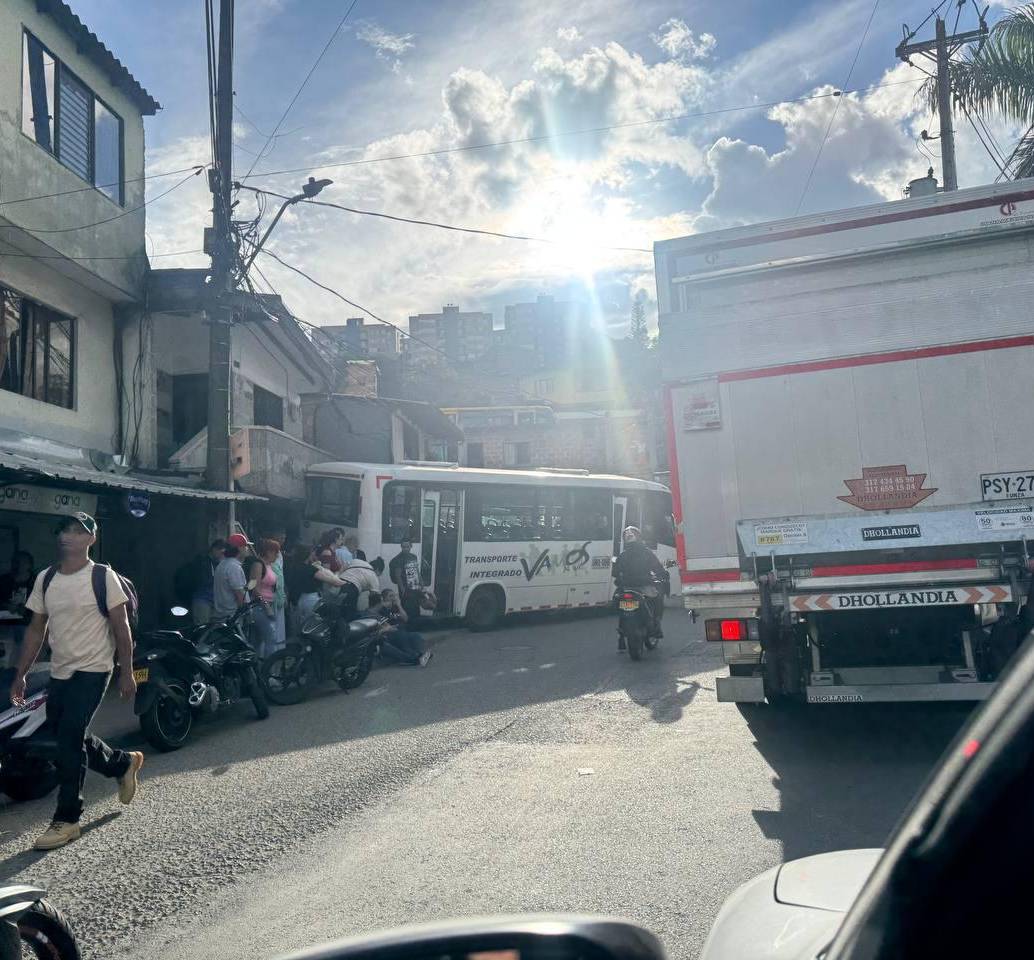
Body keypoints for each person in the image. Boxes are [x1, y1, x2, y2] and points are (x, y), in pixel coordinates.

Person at [9, 513, 144, 851]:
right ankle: (122, 763)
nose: (67, 536)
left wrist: (126, 670)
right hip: (61, 670)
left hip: (95, 668)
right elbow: (36, 629)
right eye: (63, 530)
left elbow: (121, 626)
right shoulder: (46, 578)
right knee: (68, 735)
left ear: (91, 539)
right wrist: (21, 673)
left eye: (76, 530)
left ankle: (68, 818)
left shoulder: (102, 577)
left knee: (69, 736)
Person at [612, 525, 669, 649]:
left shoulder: (622, 555)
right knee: (658, 599)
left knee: (620, 605)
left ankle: (621, 636)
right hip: (644, 586)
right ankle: (656, 627)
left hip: (626, 587)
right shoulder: (646, 553)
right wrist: (663, 576)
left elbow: (615, 573)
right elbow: (658, 568)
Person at [371, 589, 433, 667]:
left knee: (415, 635)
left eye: (394, 595)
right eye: (390, 596)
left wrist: (399, 605)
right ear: (384, 598)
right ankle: (414, 656)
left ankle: (420, 654)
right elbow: (383, 624)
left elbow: (405, 619)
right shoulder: (382, 609)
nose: (393, 598)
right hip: (391, 633)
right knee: (401, 636)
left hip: (401, 631)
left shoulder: (396, 608)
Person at [174, 540, 226, 625]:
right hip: (202, 599)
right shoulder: (202, 562)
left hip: (214, 601)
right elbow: (204, 580)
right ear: (214, 549)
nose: (222, 555)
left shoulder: (217, 563)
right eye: (221, 552)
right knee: (202, 628)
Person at [213, 534, 250, 619]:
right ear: (240, 548)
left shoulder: (222, 564)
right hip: (233, 617)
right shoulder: (234, 567)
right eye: (245, 546)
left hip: (222, 615)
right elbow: (239, 594)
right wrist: (246, 613)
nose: (247, 549)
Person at [389, 539, 426, 622]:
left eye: (407, 546)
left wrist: (421, 582)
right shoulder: (398, 559)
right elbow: (397, 576)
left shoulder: (414, 557)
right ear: (401, 547)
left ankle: (415, 626)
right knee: (407, 608)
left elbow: (416, 570)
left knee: (416, 607)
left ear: (411, 546)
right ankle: (407, 627)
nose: (405, 548)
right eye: (403, 547)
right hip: (405, 588)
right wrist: (403, 590)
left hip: (415, 587)